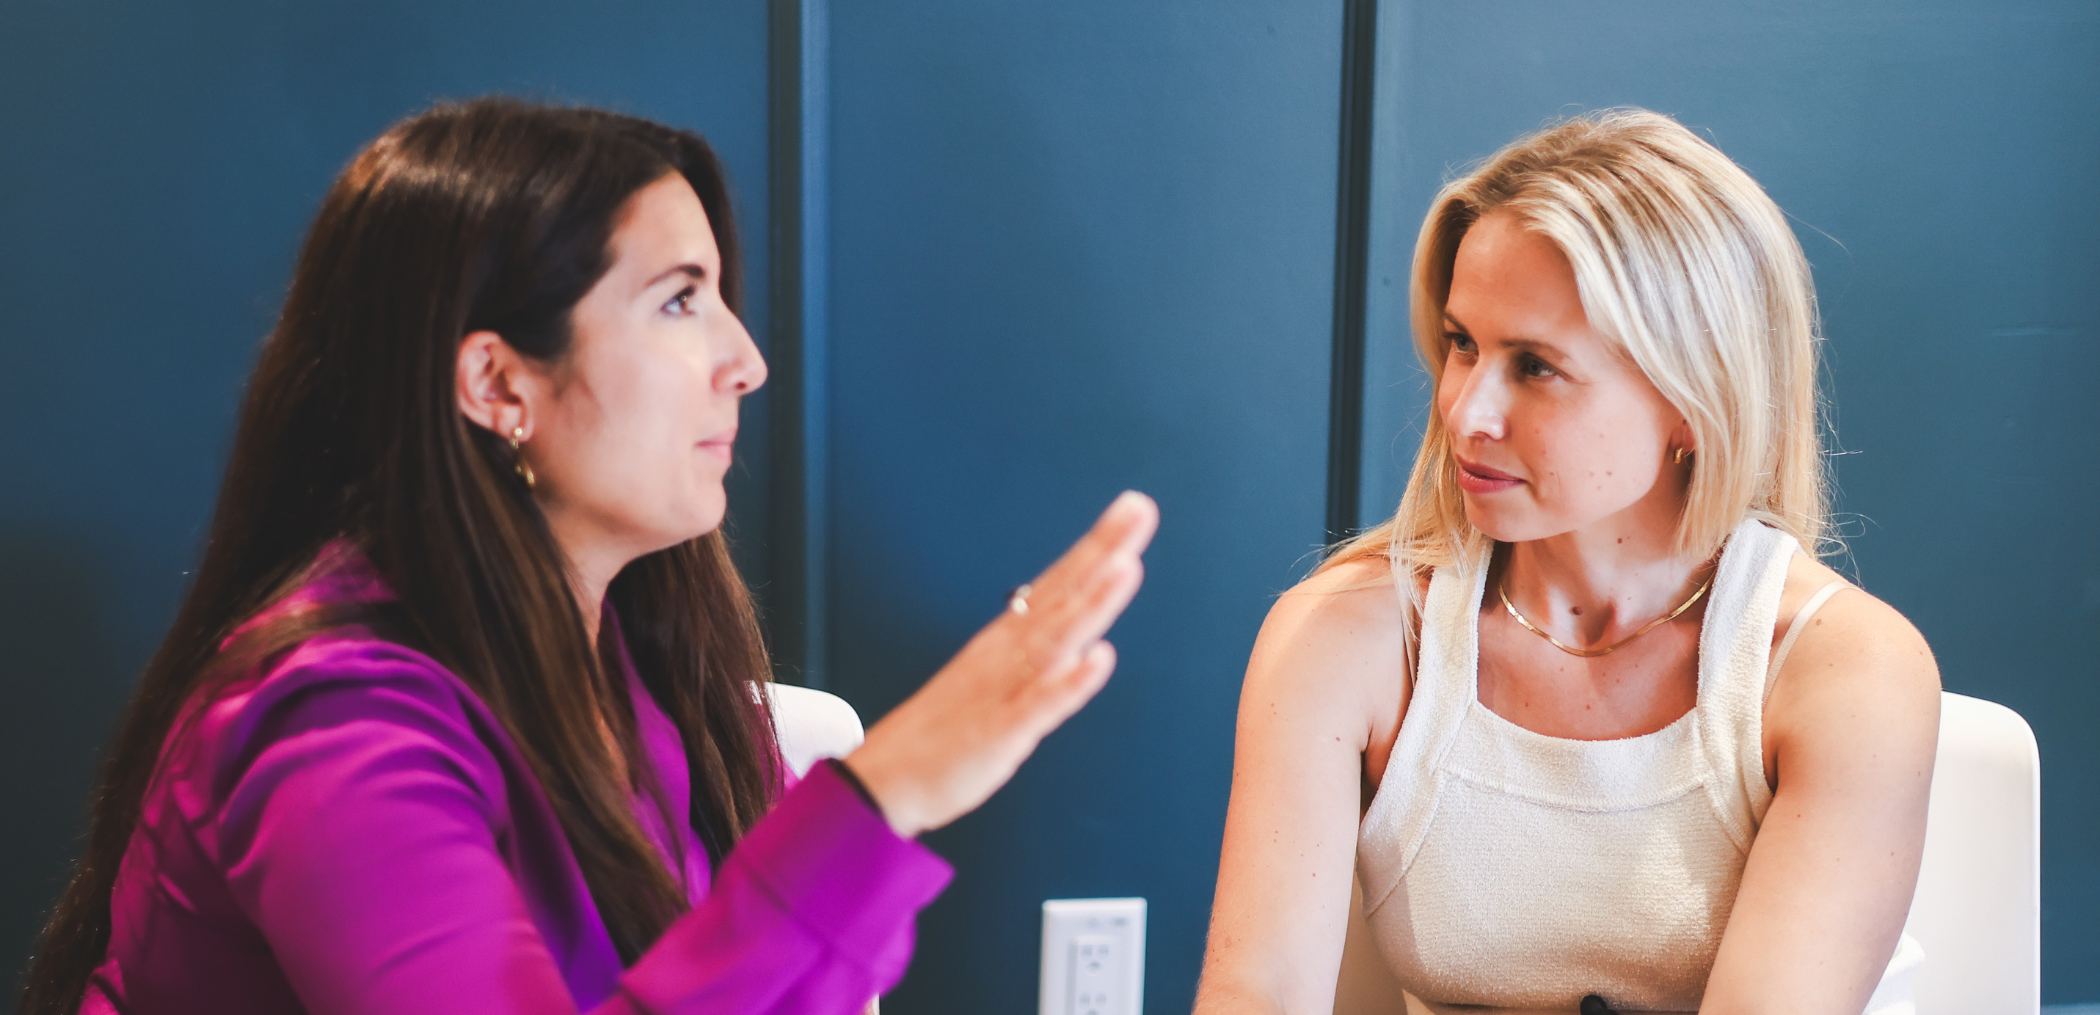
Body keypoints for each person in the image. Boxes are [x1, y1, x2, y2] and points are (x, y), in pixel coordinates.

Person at [17, 98, 1159, 1015]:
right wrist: (891, 788)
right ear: (499, 384)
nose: (746, 360)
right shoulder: (329, 719)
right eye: (679, 301)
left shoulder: (633, 660)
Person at [1194, 109, 1939, 1015]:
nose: (1465, 410)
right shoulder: (1342, 637)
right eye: (1463, 342)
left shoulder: (1845, 668)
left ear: (1691, 402)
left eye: (1536, 365)